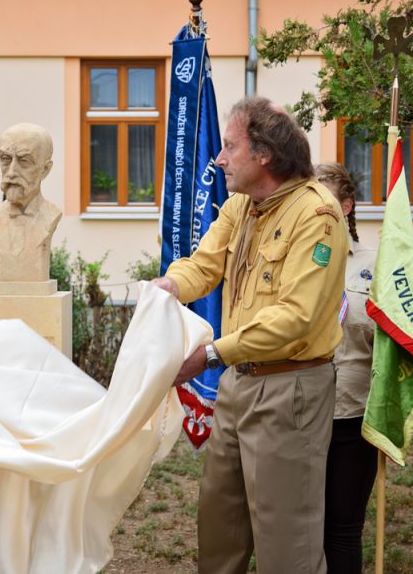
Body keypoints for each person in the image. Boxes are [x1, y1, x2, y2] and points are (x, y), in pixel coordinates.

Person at [151, 98, 348, 573]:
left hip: (290, 388)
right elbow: (205, 265)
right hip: (238, 382)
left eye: (229, 146)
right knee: (220, 528)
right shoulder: (242, 204)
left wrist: (210, 355)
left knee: (287, 544)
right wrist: (168, 287)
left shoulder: (317, 214)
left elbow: (296, 317)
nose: (219, 159)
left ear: (264, 154)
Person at [315, 162, 378, 574]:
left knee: (343, 527)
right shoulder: (298, 261)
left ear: (348, 205)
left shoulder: (379, 264)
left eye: (324, 201)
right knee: (301, 524)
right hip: (300, 413)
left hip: (353, 414)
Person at [0, 123, 62, 282]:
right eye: (6, 159)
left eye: (24, 161)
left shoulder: (51, 215)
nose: (11, 172)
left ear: (45, 169)